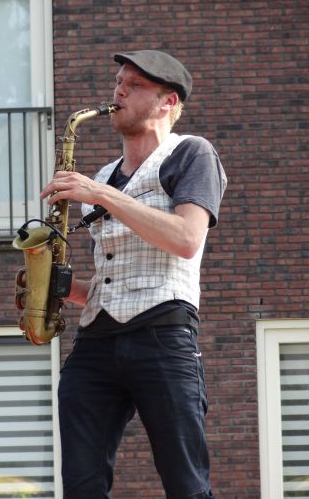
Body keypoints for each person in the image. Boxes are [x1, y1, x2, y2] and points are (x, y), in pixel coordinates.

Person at [40, 49, 227, 499]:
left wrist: (103, 196)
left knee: (187, 486)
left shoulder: (191, 152)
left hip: (163, 333)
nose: (119, 91)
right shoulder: (104, 175)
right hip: (96, 341)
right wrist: (59, 288)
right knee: (81, 485)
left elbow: (186, 239)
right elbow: (113, 278)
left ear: (168, 101)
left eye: (135, 84)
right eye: (119, 82)